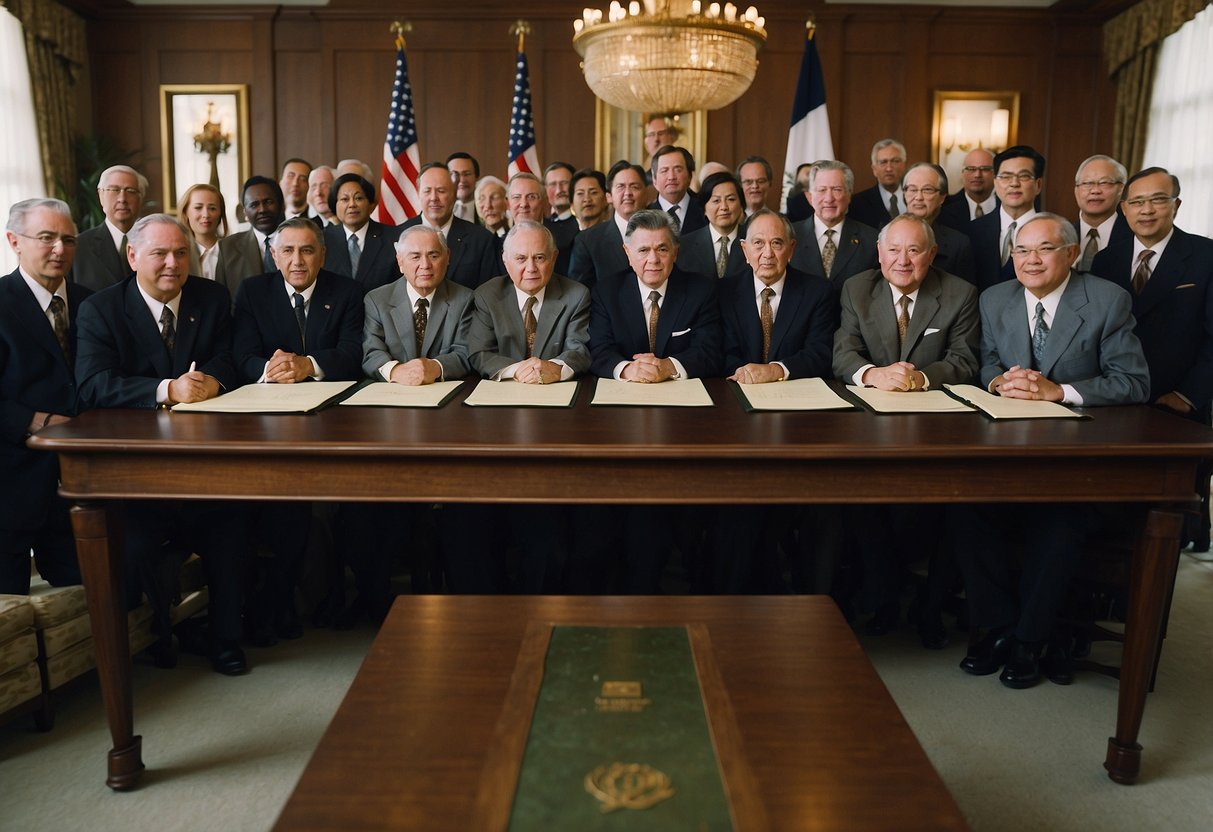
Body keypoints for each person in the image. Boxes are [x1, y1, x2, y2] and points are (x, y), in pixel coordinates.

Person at [954, 213, 1149, 689]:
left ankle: (1029, 639)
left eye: (1044, 249)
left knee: (1057, 521)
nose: (1031, 260)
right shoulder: (995, 297)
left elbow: (1134, 381)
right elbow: (990, 364)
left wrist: (1058, 392)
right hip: (1010, 451)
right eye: (1022, 251)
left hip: (1080, 460)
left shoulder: (1107, 300)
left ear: (1072, 253)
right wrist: (1000, 381)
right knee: (965, 509)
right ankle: (998, 627)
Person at [75, 214, 247, 675]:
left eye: (180, 253)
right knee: (134, 545)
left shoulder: (211, 298)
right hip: (138, 477)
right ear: (133, 257)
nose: (172, 264)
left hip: (206, 467)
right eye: (159, 254)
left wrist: (215, 380)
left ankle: (226, 639)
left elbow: (229, 357)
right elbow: (93, 384)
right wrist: (166, 390)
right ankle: (160, 633)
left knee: (232, 526)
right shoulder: (102, 309)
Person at [833, 214, 981, 635]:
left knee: (937, 505)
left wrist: (921, 377)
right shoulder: (857, 289)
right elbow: (844, 353)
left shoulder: (960, 293)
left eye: (914, 250)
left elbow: (965, 360)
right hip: (867, 424)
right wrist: (872, 374)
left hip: (935, 425)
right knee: (861, 502)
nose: (903, 260)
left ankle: (924, 603)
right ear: (878, 253)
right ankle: (883, 599)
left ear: (931, 255)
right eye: (893, 249)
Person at [232, 217, 364, 645]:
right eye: (287, 251)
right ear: (274, 255)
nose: (297, 260)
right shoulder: (253, 292)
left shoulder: (346, 292)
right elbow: (242, 355)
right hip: (268, 422)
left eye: (307, 250)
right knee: (277, 506)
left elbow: (353, 354)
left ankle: (318, 599)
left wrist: (309, 365)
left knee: (322, 508)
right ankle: (280, 602)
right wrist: (269, 371)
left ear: (323, 255)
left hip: (333, 423)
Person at [340, 225, 475, 618]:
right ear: (399, 261)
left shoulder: (465, 299)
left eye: (433, 255)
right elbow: (369, 352)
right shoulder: (377, 299)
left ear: (447, 258)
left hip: (449, 419)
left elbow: (468, 352)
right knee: (372, 505)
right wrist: (395, 370)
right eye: (414, 257)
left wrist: (433, 366)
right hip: (390, 418)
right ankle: (374, 596)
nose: (425, 265)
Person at [448, 222, 590, 592]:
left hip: (557, 424)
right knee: (473, 515)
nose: (531, 268)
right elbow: (479, 353)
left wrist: (554, 368)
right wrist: (519, 370)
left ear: (555, 258)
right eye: (521, 258)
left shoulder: (575, 294)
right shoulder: (487, 295)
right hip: (496, 421)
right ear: (505, 261)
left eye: (540, 257)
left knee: (547, 515)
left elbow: (580, 350)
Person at [711, 208, 836, 592]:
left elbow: (820, 353)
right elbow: (719, 353)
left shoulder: (817, 291)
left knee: (817, 508)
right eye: (759, 244)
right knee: (738, 506)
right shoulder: (723, 291)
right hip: (736, 419)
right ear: (744, 250)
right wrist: (748, 373)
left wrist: (777, 369)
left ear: (792, 249)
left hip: (799, 421)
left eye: (777, 243)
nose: (767, 253)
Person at [1090, 167, 1213, 549]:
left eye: (1158, 200)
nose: (1147, 210)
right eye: (1138, 201)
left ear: (1176, 205)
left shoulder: (1205, 256)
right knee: (1113, 508)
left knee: (1167, 518)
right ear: (1124, 209)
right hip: (1118, 403)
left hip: (1176, 402)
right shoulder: (1106, 261)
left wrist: (1189, 395)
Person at [0, 198, 90, 595]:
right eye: (47, 237)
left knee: (90, 592)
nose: (60, 249)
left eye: (68, 239)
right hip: (13, 477)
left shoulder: (94, 304)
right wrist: (33, 421)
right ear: (14, 241)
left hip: (82, 480)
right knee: (10, 611)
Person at [398, 163, 499, 290]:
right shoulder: (398, 234)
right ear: (418, 193)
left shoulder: (481, 239)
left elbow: (489, 293)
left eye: (441, 191)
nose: (434, 198)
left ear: (455, 193)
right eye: (427, 191)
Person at [789, 160, 878, 292]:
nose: (829, 198)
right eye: (822, 190)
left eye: (837, 189)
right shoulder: (789, 236)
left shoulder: (871, 240)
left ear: (849, 195)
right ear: (809, 197)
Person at [970, 145, 1044, 293]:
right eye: (1005, 176)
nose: (1014, 183)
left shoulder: (1052, 233)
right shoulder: (971, 232)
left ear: (1038, 185)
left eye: (1023, 176)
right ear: (995, 183)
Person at [568, 161, 646, 290]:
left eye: (635, 187)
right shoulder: (588, 240)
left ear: (646, 192)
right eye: (620, 187)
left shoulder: (661, 233)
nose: (627, 193)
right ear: (609, 197)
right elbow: (580, 292)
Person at [322, 172, 400, 292]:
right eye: (344, 199)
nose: (352, 204)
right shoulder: (323, 240)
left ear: (371, 205)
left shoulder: (393, 238)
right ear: (335, 206)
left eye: (358, 198)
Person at [72, 165, 146, 291]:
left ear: (140, 198)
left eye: (130, 191)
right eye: (114, 190)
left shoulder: (153, 242)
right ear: (101, 196)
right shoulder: (78, 247)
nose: (122, 199)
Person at [902, 163, 975, 283]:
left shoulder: (958, 244)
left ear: (942, 197)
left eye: (927, 190)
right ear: (904, 194)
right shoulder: (886, 234)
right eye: (912, 189)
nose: (918, 197)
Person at [217, 175, 286, 297]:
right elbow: (221, 299)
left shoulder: (299, 242)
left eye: (268, 202)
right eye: (254, 205)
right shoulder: (227, 248)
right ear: (245, 212)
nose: (262, 210)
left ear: (281, 205)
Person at [675, 171, 748, 281]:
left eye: (731, 199)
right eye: (716, 200)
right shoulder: (684, 246)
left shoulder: (753, 241)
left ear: (741, 205)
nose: (724, 207)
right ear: (704, 208)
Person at [1072, 155, 1130, 271]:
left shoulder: (1134, 237)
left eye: (1104, 183)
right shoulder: (1062, 236)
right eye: (1087, 183)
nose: (1095, 191)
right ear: (1076, 190)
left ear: (1121, 189)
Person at [847, 139, 908, 230]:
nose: (889, 168)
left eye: (895, 161)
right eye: (883, 162)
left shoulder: (916, 198)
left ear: (904, 165)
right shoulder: (857, 203)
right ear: (874, 169)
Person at [647, 145, 706, 234]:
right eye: (664, 171)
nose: (671, 177)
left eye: (678, 170)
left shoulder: (705, 209)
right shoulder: (644, 215)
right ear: (654, 179)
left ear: (690, 176)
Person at [937, 148, 997, 231]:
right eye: (971, 169)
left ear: (996, 174)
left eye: (984, 169)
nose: (977, 175)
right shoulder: (944, 208)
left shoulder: (1007, 206)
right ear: (962, 173)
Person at [178, 183, 228, 280]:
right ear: (185, 212)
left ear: (221, 214)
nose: (206, 215)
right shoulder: (178, 254)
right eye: (198, 208)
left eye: (212, 208)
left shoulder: (234, 252)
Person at [543, 162, 579, 275]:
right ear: (545, 189)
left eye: (564, 183)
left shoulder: (582, 224)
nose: (559, 190)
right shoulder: (540, 225)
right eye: (553, 184)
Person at [446, 152, 480, 223]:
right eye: (455, 174)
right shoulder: (438, 211)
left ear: (476, 177)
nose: (461, 180)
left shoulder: (487, 210)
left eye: (467, 174)